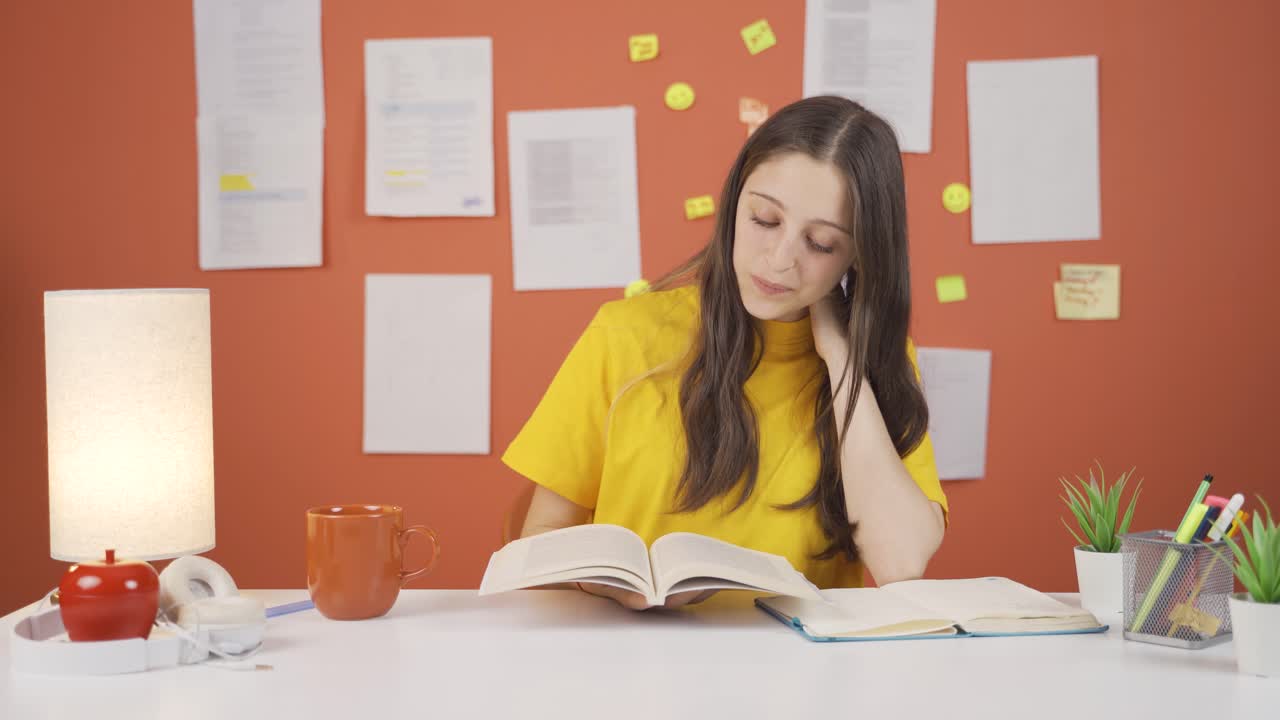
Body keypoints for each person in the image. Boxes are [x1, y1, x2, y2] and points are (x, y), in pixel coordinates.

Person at [503, 96, 948, 610]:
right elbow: (538, 541)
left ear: (859, 254)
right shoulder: (624, 334)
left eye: (822, 244)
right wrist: (597, 584)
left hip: (798, 674)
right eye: (764, 219)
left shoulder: (877, 361)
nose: (781, 261)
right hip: (630, 665)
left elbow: (901, 564)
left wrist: (842, 359)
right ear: (735, 201)